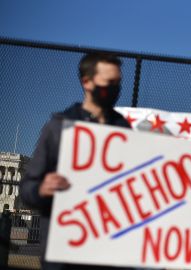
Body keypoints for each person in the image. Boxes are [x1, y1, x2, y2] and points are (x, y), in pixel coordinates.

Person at [20, 53, 131, 270]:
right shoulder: (59, 128)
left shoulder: (125, 131)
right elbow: (27, 189)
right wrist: (42, 189)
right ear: (87, 82)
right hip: (65, 254)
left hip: (108, 253)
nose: (116, 89)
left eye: (118, 83)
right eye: (109, 83)